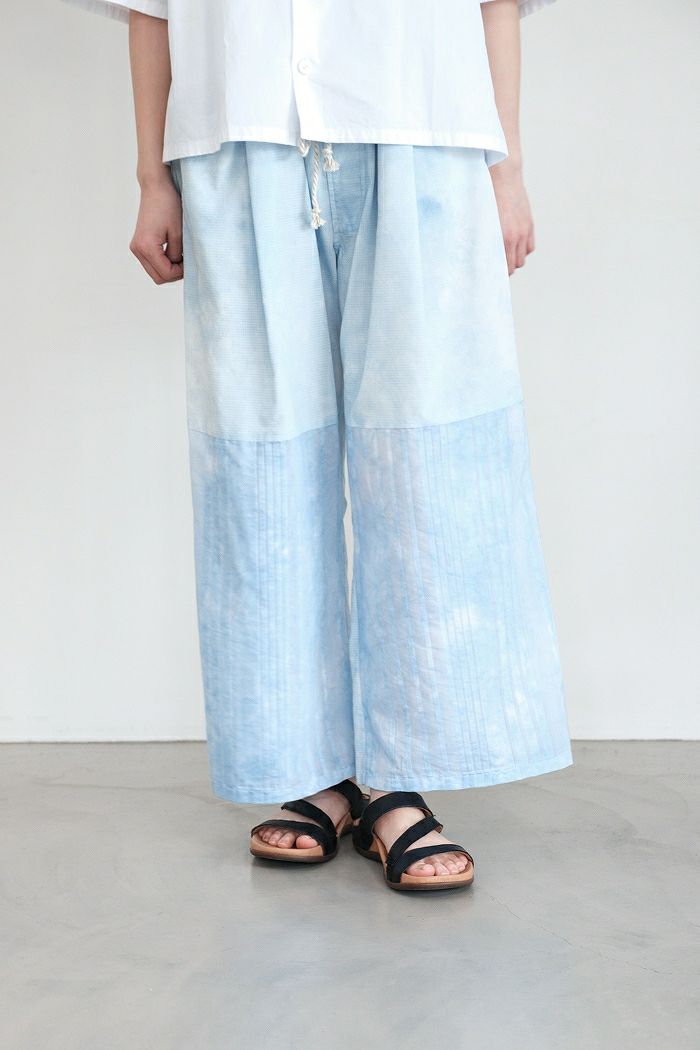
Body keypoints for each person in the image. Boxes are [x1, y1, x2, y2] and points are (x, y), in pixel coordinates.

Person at [64, 0, 572, 893]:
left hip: (423, 130)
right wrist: (152, 177)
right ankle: (311, 770)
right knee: (259, 472)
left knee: (425, 468)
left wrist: (508, 170)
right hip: (240, 142)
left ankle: (396, 776)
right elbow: (154, 8)